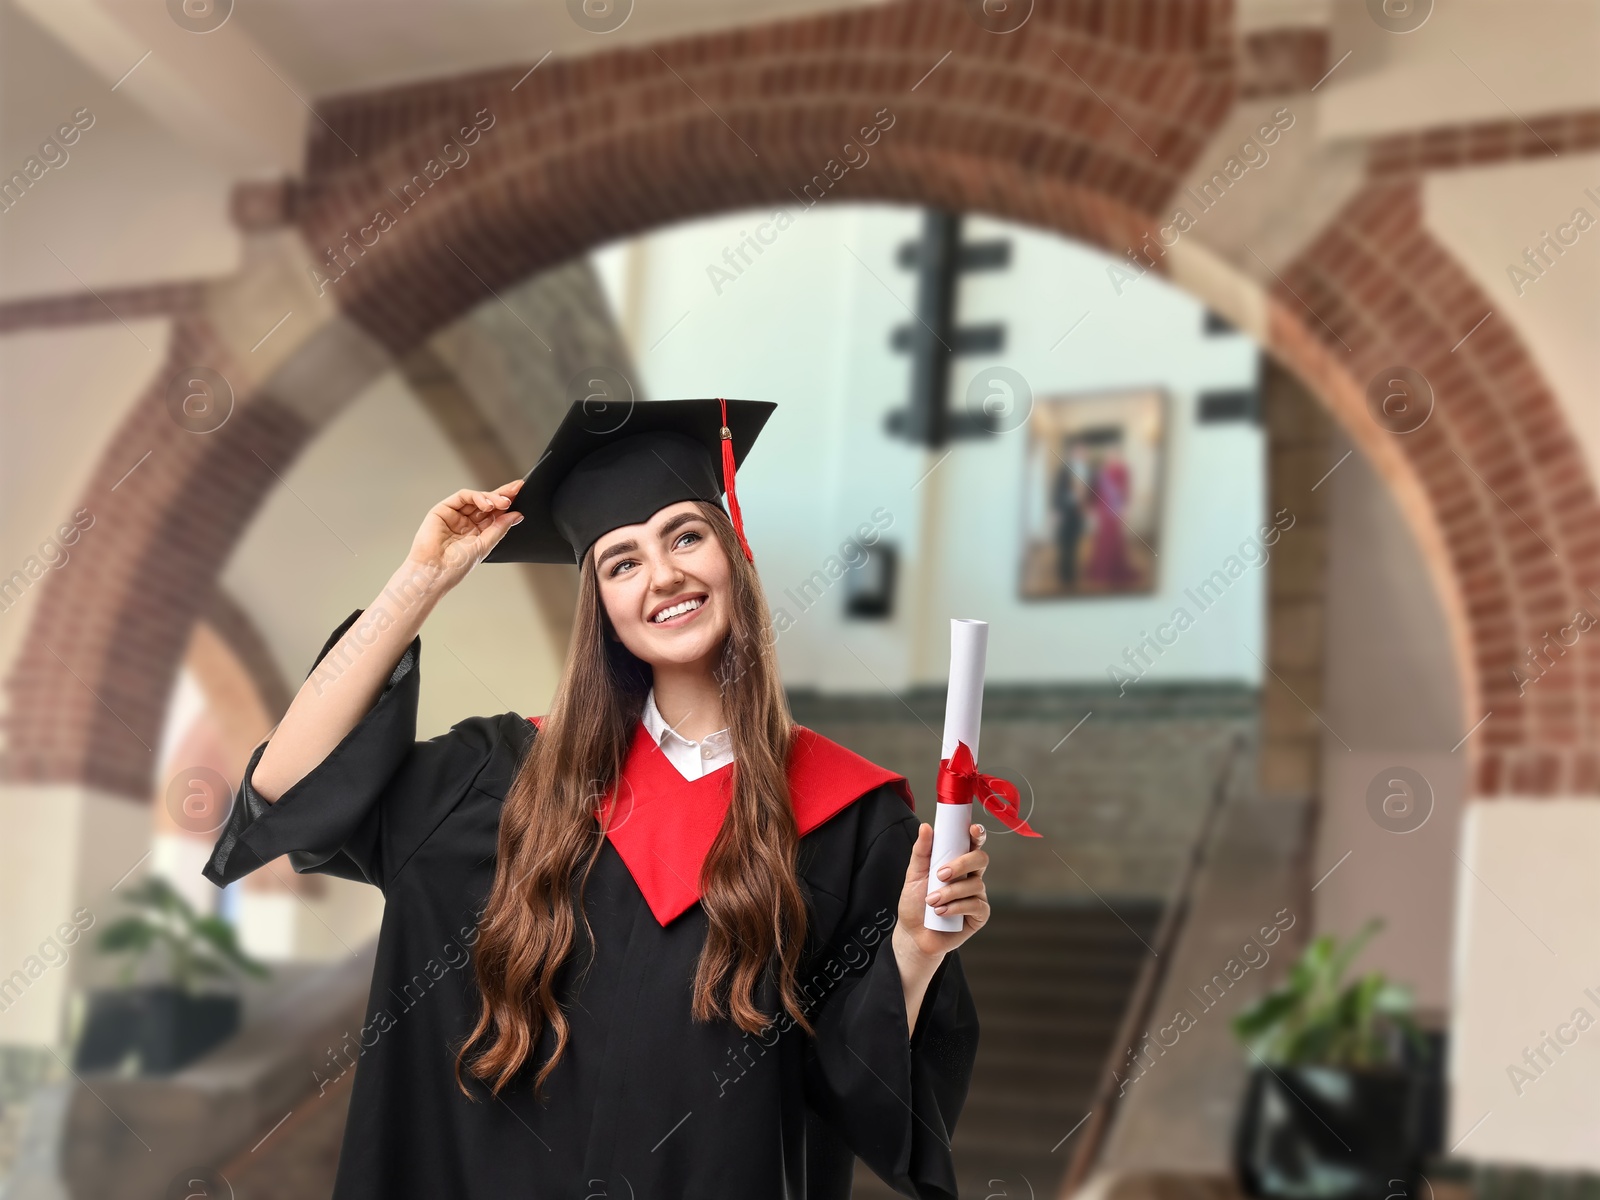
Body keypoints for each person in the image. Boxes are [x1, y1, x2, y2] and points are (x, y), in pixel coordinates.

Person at [203, 397, 985, 1199]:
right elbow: (291, 788)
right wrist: (421, 581)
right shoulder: (500, 778)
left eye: (686, 536)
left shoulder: (848, 817)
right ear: (601, 607)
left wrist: (915, 953)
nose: (665, 574)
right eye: (622, 561)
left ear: (733, 554)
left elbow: (858, 1086)